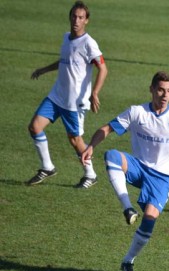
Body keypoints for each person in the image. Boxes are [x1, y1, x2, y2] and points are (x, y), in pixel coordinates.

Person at [81, 71, 169, 271]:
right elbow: (107, 128)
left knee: (149, 221)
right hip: (139, 167)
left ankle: (128, 261)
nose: (164, 95)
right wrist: (90, 146)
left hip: (163, 178)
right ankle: (127, 208)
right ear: (151, 89)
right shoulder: (136, 112)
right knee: (112, 156)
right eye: (160, 90)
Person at [27, 1, 108, 188]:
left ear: (86, 20)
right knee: (35, 127)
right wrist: (44, 69)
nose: (76, 20)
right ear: (70, 17)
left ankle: (90, 174)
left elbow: (103, 68)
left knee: (74, 139)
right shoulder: (66, 37)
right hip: (57, 96)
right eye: (74, 16)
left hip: (74, 102)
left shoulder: (89, 43)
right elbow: (65, 61)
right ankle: (47, 167)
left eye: (81, 17)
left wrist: (94, 92)